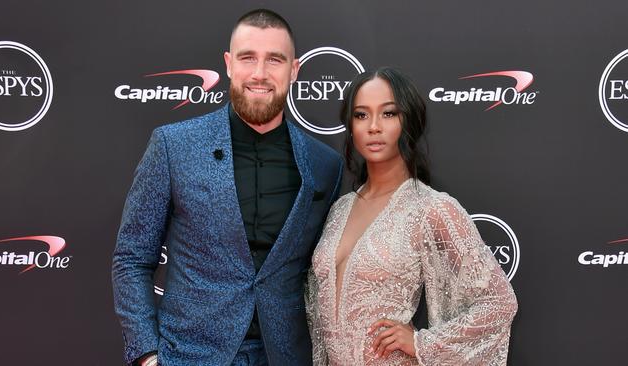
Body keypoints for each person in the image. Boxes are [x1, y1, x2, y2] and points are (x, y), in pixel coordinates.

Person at [112, 9, 343, 366]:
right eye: (248, 57)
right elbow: (131, 258)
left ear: (294, 70)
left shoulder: (324, 164)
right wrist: (147, 354)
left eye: (275, 60)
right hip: (189, 355)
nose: (260, 73)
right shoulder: (174, 147)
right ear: (228, 64)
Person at [306, 67, 517, 365]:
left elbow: (499, 303)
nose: (374, 126)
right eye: (361, 115)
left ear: (409, 122)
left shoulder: (431, 208)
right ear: (350, 126)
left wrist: (422, 342)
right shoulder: (340, 208)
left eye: (389, 114)